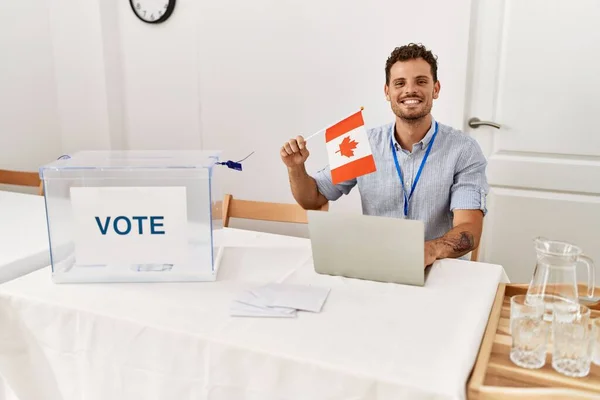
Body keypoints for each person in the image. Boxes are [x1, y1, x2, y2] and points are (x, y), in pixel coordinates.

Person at [280, 43, 489, 267]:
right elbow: (313, 199)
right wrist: (295, 167)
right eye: (400, 83)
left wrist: (430, 249)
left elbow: (469, 229)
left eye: (421, 81)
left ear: (435, 89)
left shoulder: (463, 150)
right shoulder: (362, 145)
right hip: (378, 267)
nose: (410, 90)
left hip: (440, 269)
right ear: (387, 92)